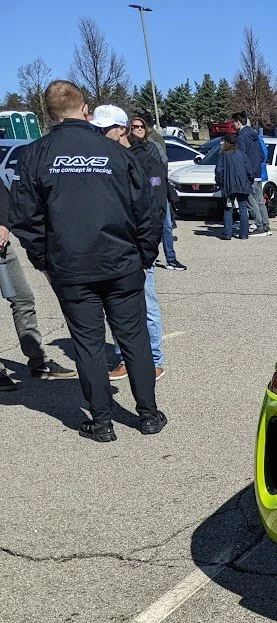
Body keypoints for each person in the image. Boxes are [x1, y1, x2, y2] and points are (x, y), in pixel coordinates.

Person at [9, 86, 165, 441]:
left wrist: (45, 260)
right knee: (134, 338)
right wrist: (143, 255)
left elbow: (25, 218)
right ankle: (148, 414)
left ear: (49, 113)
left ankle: (102, 421)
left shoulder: (35, 154)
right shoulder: (116, 152)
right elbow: (148, 210)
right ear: (86, 110)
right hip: (118, 263)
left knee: (89, 344)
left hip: (73, 267)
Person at [0, 176, 76, 390]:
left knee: (23, 299)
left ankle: (38, 362)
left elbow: (3, 195)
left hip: (2, 247)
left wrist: (4, 225)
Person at [109, 114, 169, 381]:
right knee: (116, 306)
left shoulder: (146, 158)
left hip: (139, 244)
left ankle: (154, 360)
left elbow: (156, 206)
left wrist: (149, 247)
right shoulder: (108, 160)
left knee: (147, 303)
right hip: (114, 244)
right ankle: (124, 358)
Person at [129, 115, 186, 270]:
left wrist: (159, 185)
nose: (139, 129)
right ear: (129, 129)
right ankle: (147, 259)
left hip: (159, 191)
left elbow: (162, 165)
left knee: (166, 226)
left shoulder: (153, 146)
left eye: (141, 126)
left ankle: (171, 259)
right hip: (141, 195)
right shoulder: (128, 148)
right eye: (135, 127)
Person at [233, 112, 271, 237]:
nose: (233, 124)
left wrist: (243, 171)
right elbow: (262, 155)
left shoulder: (242, 137)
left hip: (249, 174)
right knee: (260, 201)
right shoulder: (254, 135)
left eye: (234, 122)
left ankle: (259, 226)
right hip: (258, 171)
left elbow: (242, 157)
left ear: (238, 122)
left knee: (250, 201)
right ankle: (266, 225)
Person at [214, 135, 252, 241]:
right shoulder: (242, 154)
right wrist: (249, 181)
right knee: (243, 209)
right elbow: (249, 171)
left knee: (228, 209)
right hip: (243, 185)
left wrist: (219, 182)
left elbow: (219, 171)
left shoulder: (223, 155)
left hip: (229, 186)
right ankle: (244, 234)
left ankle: (227, 234)